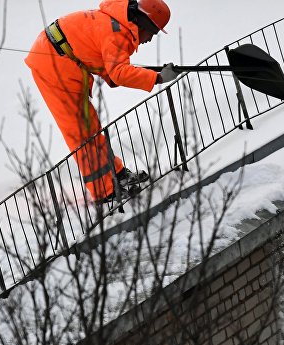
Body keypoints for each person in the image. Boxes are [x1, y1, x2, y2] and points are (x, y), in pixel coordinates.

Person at [25, 0, 180, 204]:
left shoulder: (118, 24)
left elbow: (110, 67)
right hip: (53, 64)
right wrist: (158, 78)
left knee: (91, 127)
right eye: (153, 32)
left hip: (60, 56)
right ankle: (104, 191)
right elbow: (119, 73)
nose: (150, 39)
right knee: (81, 133)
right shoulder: (116, 32)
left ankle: (116, 174)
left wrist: (150, 73)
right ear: (143, 24)